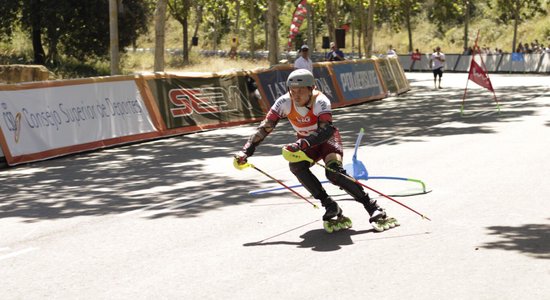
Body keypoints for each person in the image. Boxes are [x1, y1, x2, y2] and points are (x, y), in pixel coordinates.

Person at [233, 69, 396, 232]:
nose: (295, 96)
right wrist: (246, 151)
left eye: (300, 91)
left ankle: (373, 207)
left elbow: (325, 130)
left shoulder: (321, 101)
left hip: (326, 141)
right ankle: (330, 205)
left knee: (333, 172)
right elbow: (265, 127)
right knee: (296, 165)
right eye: (292, 91)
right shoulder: (284, 102)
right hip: (305, 144)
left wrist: (302, 144)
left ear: (311, 89)